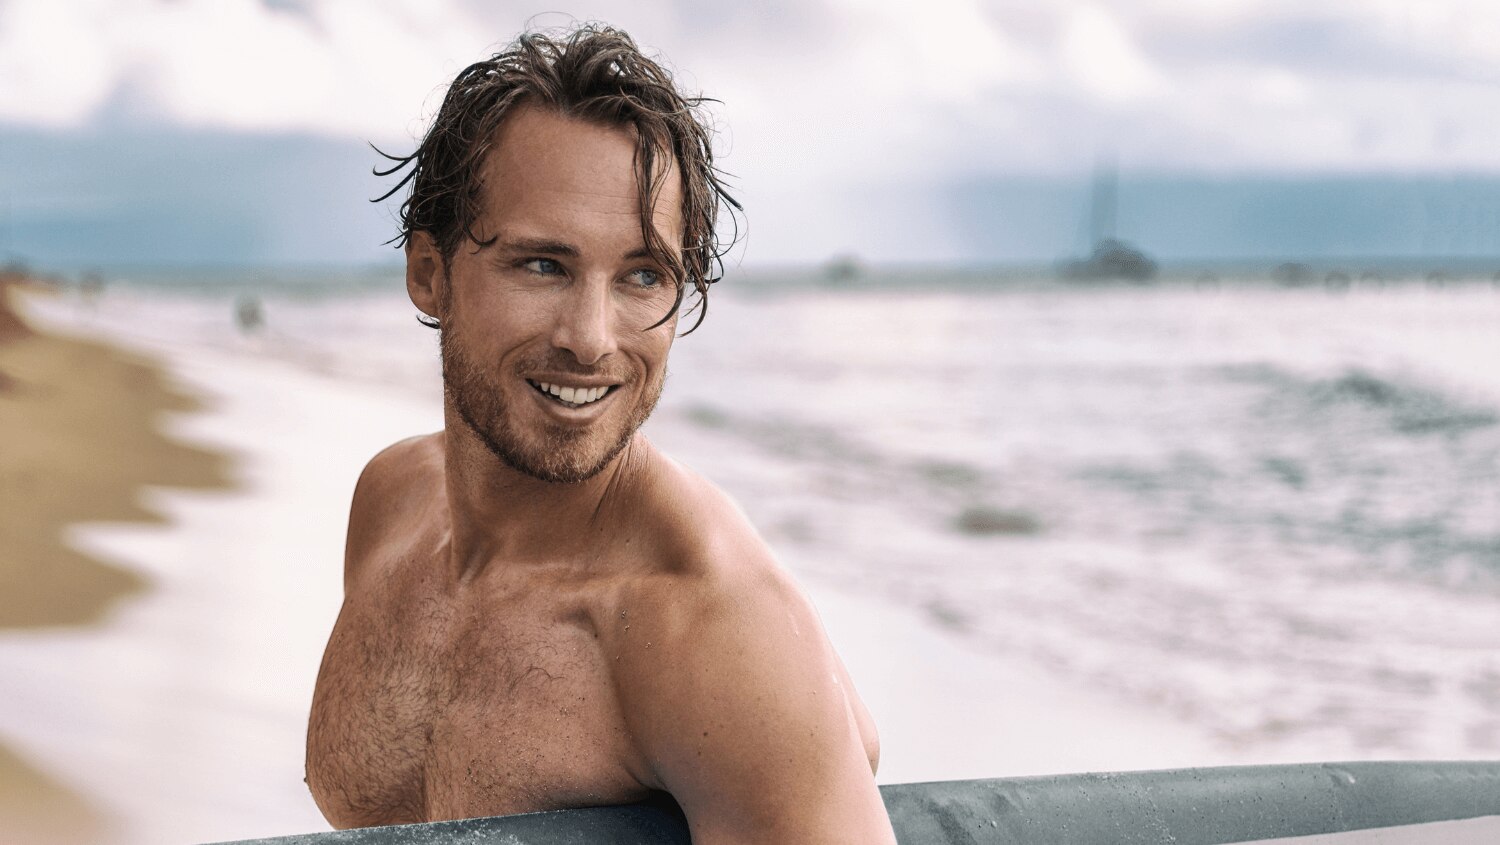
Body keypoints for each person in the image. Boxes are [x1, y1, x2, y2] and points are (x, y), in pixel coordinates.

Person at [304, 25, 897, 844]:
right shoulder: (391, 503)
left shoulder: (710, 629)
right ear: (429, 273)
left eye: (642, 276)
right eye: (543, 265)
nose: (590, 338)